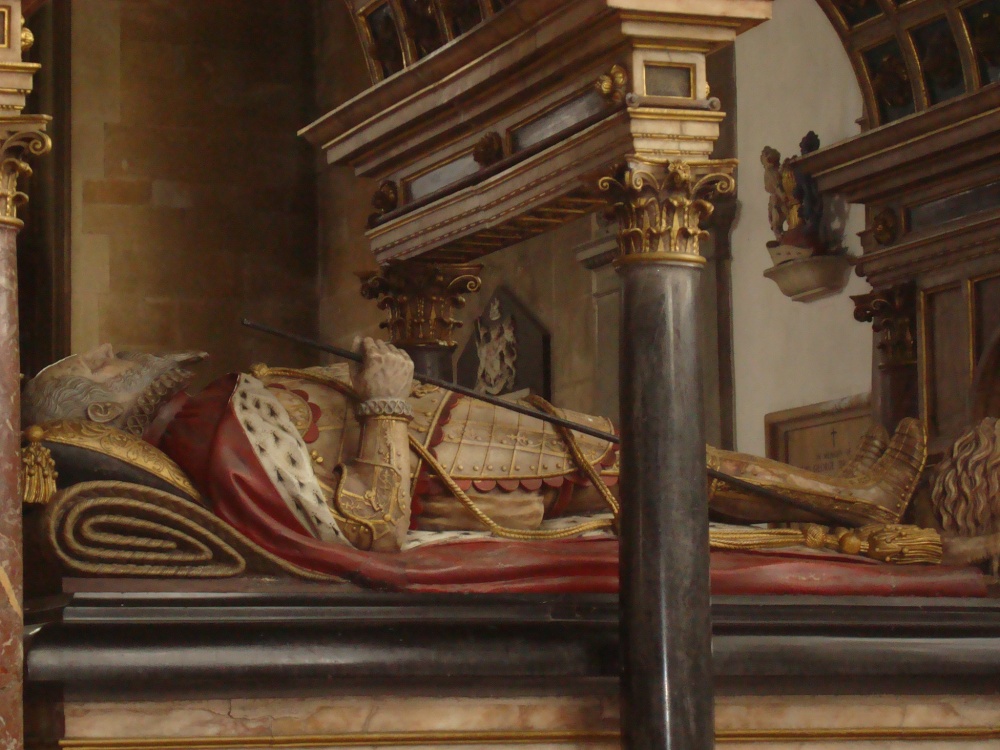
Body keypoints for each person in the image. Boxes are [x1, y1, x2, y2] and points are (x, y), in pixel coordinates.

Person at [21, 341, 1000, 594]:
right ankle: (858, 511)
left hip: (457, 436)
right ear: (102, 410)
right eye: (102, 367)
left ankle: (849, 494)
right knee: (662, 481)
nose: (121, 355)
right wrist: (390, 397)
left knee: (657, 455)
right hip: (461, 480)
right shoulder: (205, 443)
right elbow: (369, 526)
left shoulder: (200, 411)